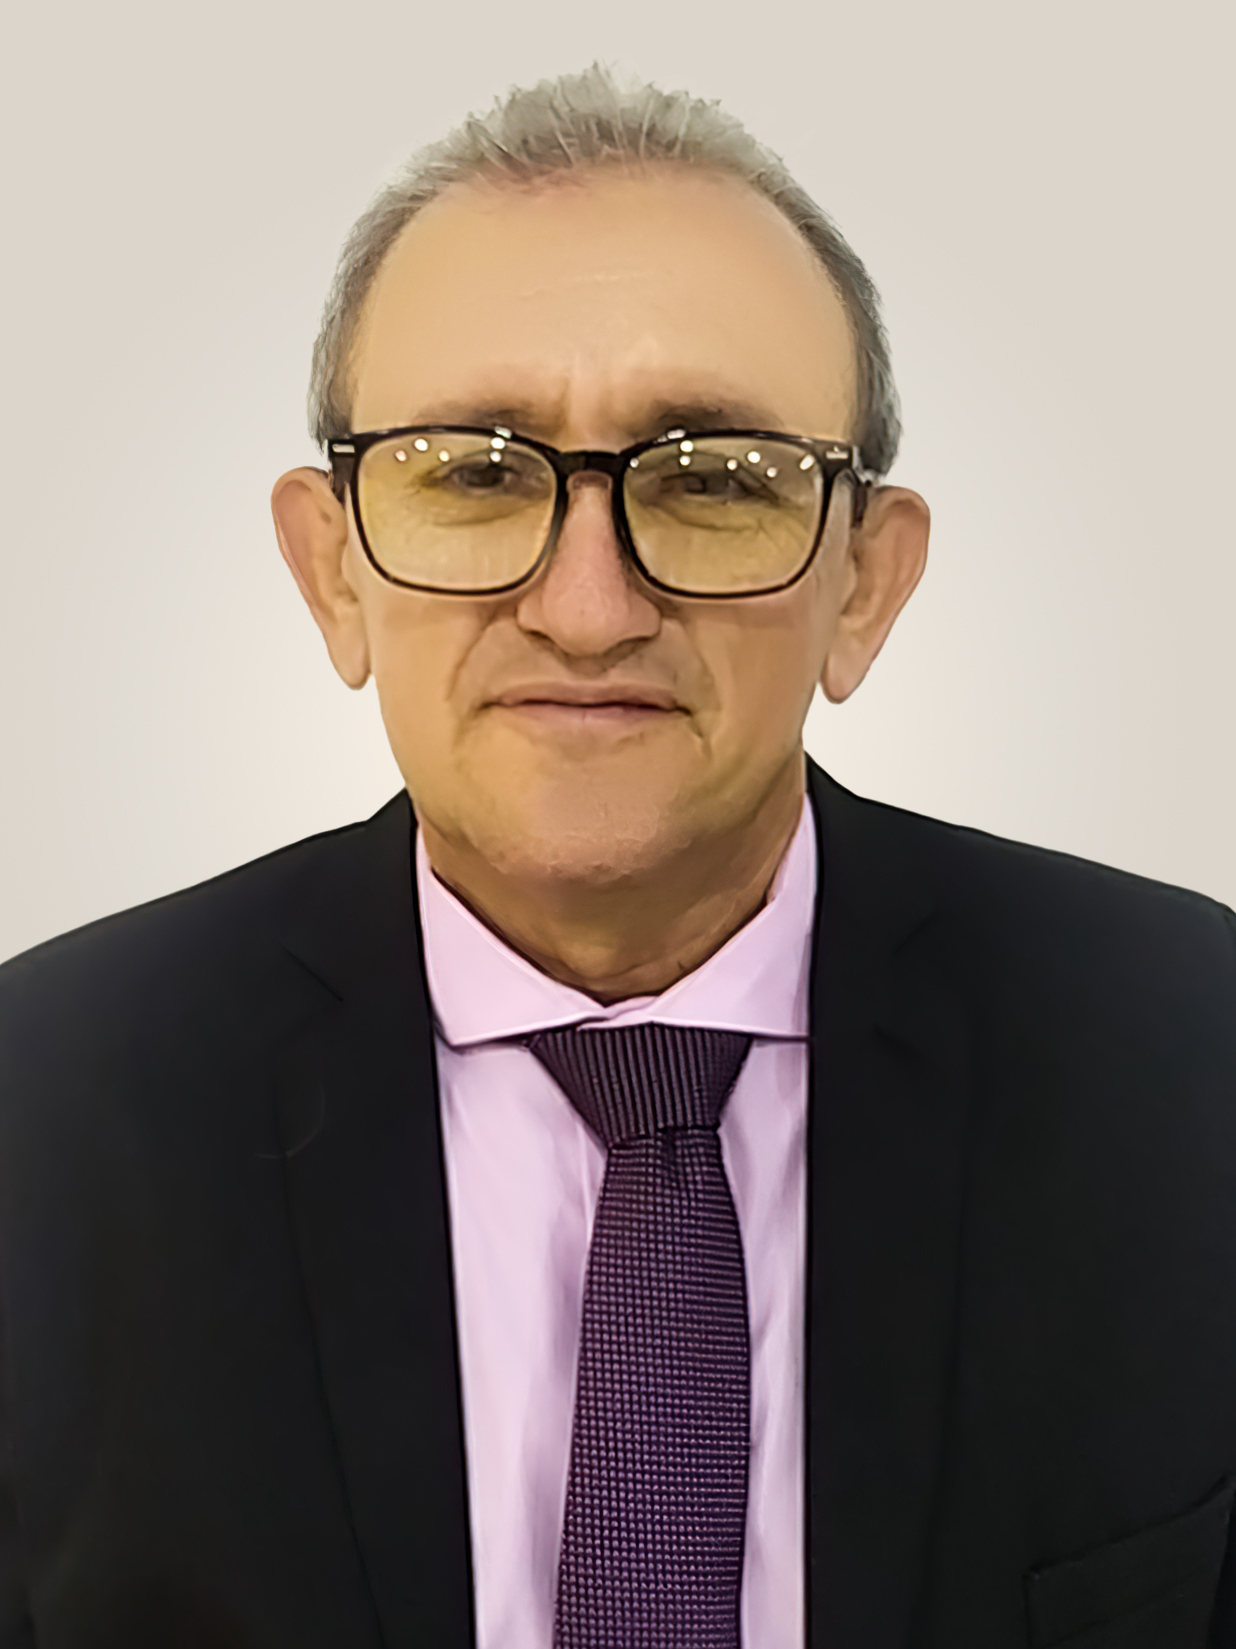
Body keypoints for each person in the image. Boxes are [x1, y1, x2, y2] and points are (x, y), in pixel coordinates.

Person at [1, 62, 1234, 1649]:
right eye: (473, 471)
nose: (587, 610)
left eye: (716, 480)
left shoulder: (1195, 1059)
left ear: (864, 584)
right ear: (334, 574)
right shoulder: (38, 1113)